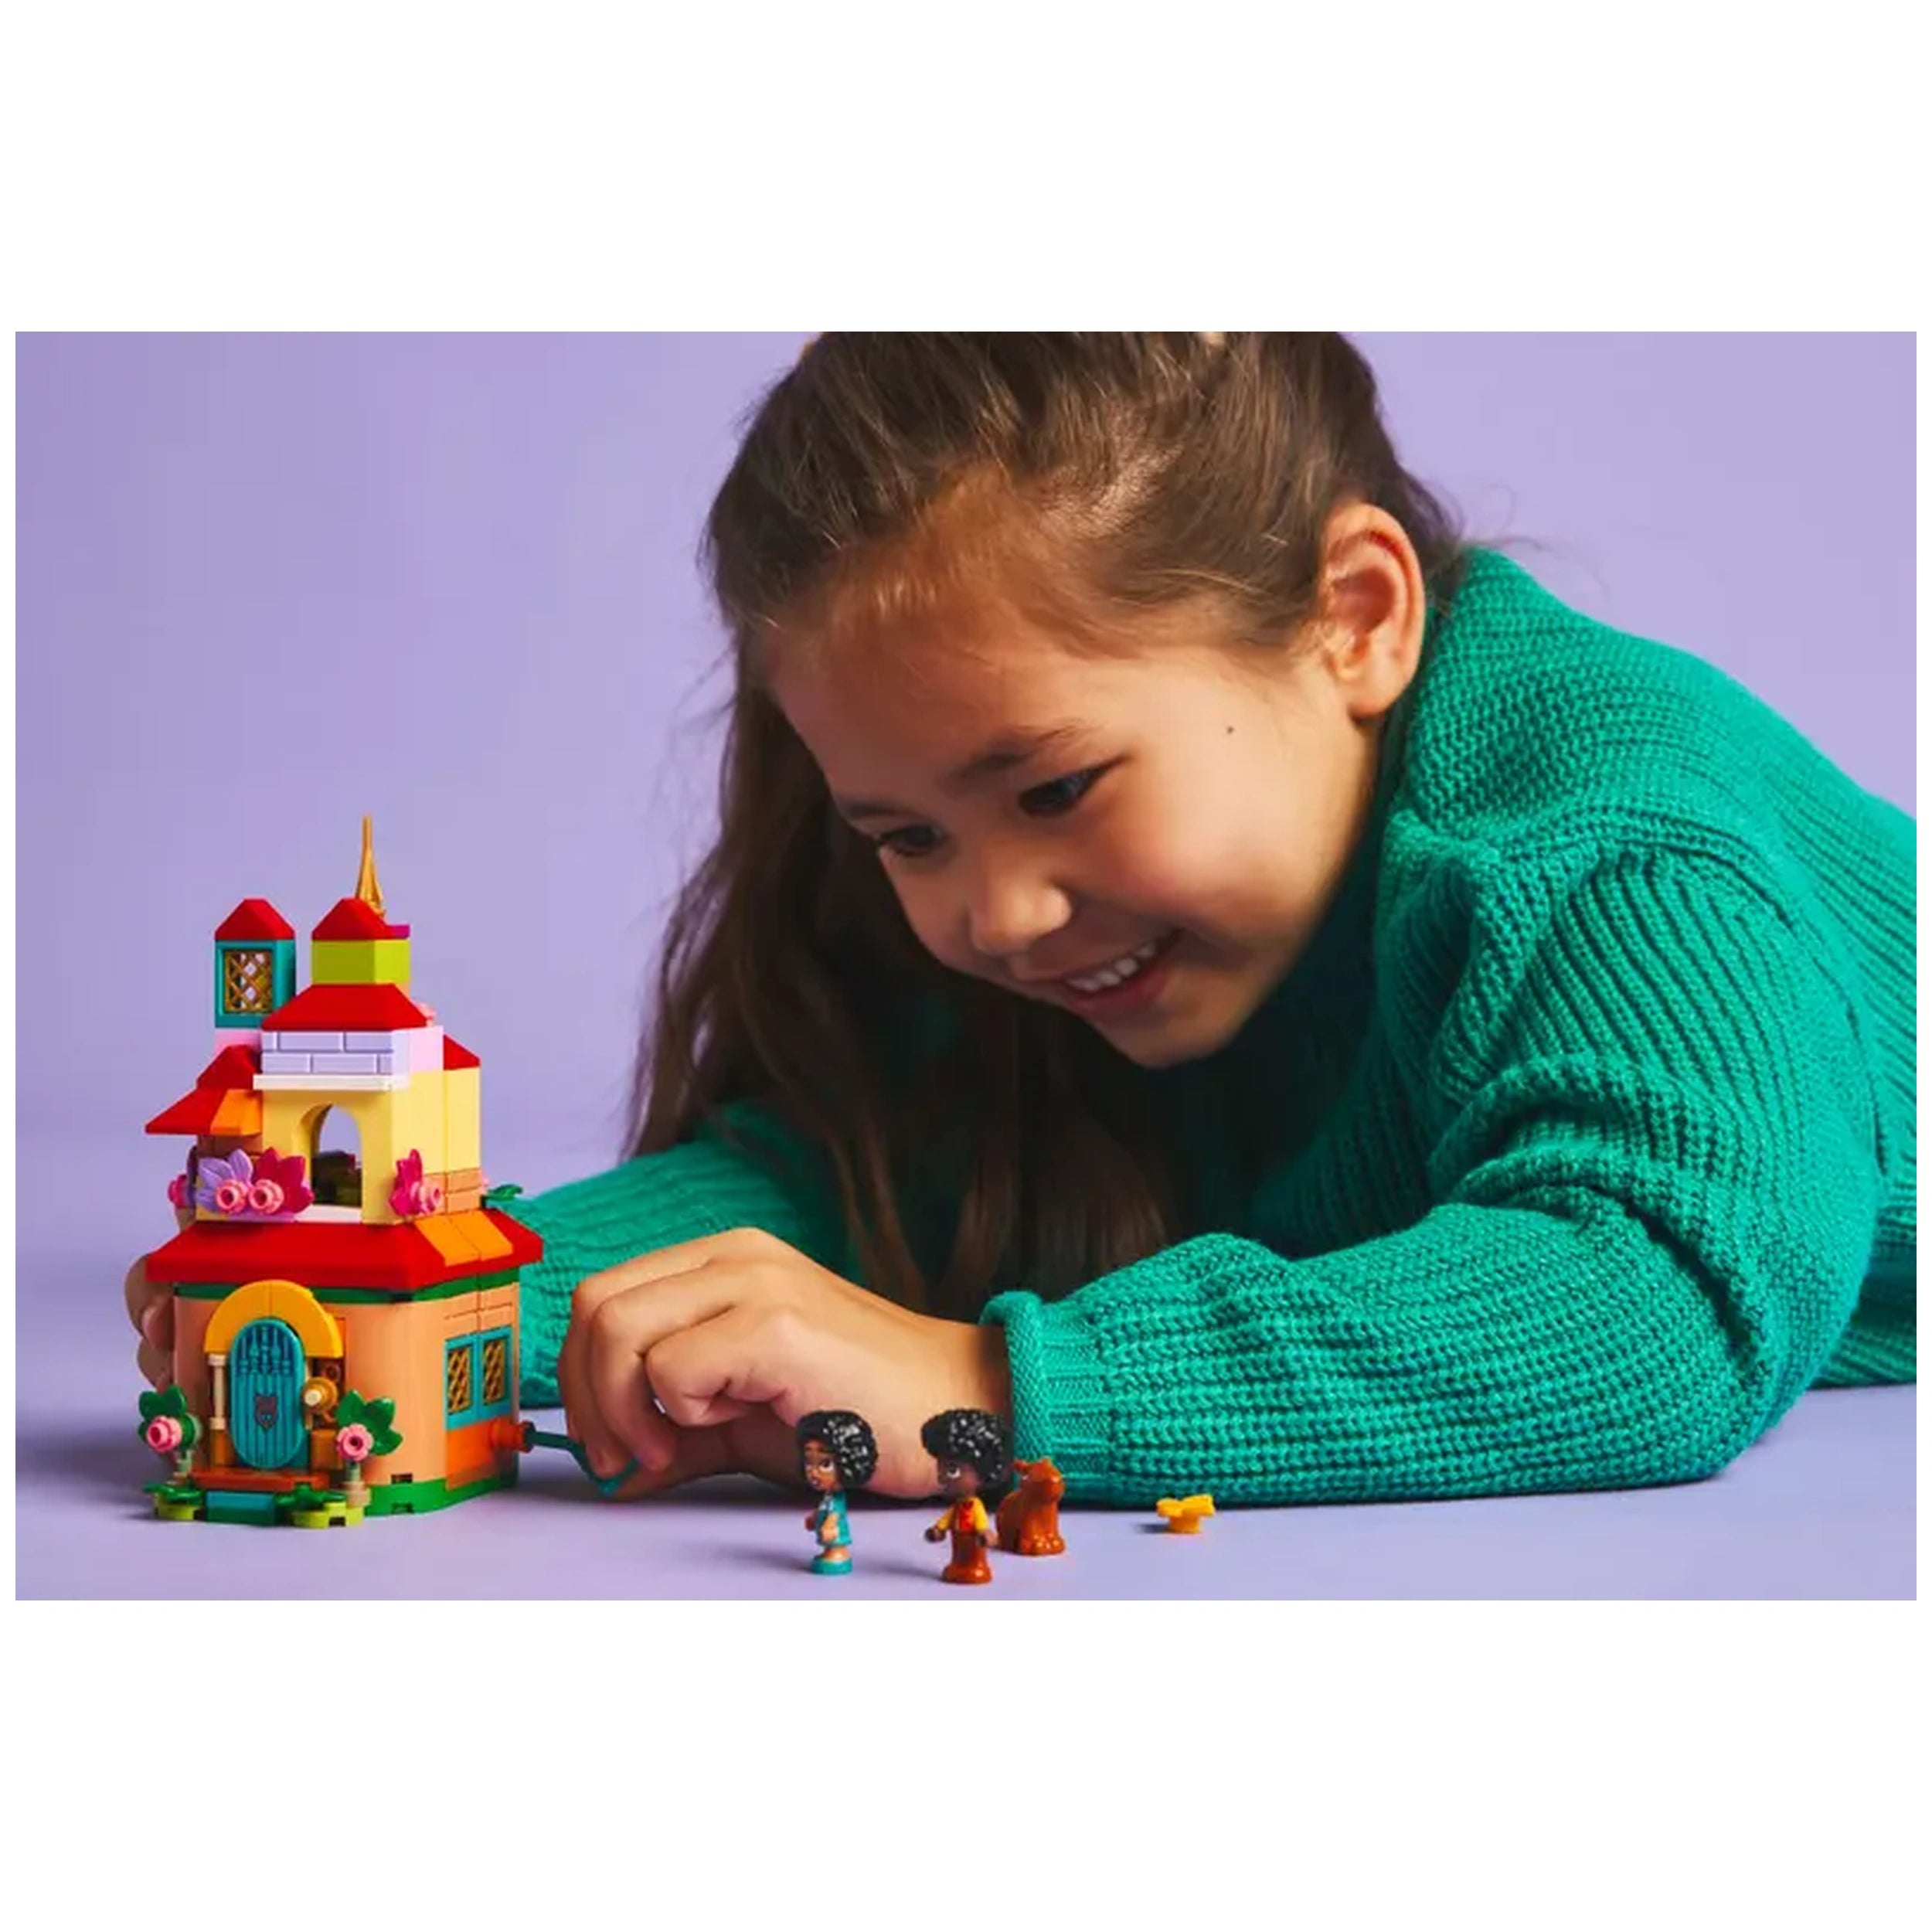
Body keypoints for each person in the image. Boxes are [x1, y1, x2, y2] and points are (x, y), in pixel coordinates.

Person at [127, 334, 1916, 1512]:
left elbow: (1651, 1297)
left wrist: (986, 1385)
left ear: (1355, 621)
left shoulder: (1612, 841)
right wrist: (430, 1296)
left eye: (1057, 787)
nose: (995, 910)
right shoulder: (1129, 949)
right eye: (904, 833)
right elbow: (849, 1180)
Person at [920, 1409, 1007, 1585]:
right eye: (941, 1469)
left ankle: (976, 1568)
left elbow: (982, 1522)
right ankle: (958, 1566)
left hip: (973, 1541)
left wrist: (985, 1533)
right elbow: (948, 1519)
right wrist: (938, 1530)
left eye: (952, 1470)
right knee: (959, 1558)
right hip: (958, 1541)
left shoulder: (975, 1506)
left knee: (973, 1558)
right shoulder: (957, 1508)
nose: (941, 1477)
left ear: (982, 1473)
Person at [796, 1409, 876, 1575]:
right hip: (827, 1529)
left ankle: (836, 1554)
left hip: (834, 1532)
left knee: (834, 1542)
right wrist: (814, 1517)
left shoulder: (837, 1497)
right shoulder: (829, 1496)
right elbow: (825, 1507)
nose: (813, 1472)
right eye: (809, 1462)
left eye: (825, 1464)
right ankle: (830, 1552)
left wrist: (829, 1525)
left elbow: (835, 1513)